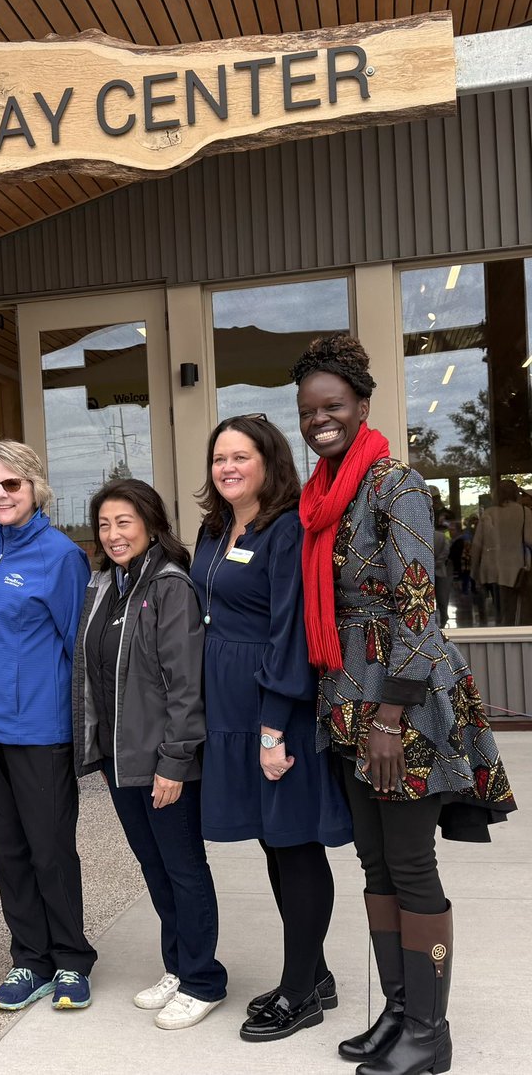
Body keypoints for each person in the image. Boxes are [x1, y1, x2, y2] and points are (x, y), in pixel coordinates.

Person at [293, 334, 516, 1075]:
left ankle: (431, 1030)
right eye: (308, 410)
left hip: (402, 703)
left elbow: (421, 616)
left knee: (411, 864)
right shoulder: (325, 495)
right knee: (376, 862)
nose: (319, 419)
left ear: (361, 406)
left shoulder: (399, 485)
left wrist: (390, 718)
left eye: (332, 406)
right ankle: (398, 1012)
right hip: (349, 698)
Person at [192, 416, 352, 1043]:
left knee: (295, 844)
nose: (227, 467)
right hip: (227, 709)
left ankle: (299, 993)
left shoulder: (285, 529)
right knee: (272, 844)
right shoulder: (215, 529)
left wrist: (273, 727)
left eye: (241, 456)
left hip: (271, 710)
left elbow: (290, 631)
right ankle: (313, 974)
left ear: (268, 462)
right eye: (219, 458)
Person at [71, 478, 227, 1031]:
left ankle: (205, 979)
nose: (113, 534)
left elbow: (186, 687)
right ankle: (179, 965)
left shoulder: (169, 585)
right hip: (122, 760)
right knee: (155, 866)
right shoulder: (108, 585)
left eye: (125, 522)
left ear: (150, 523)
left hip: (163, 763)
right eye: (105, 524)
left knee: (184, 868)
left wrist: (174, 762)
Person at [0, 440, 95, 1012]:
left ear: (36, 488)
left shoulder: (61, 556)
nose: (2, 495)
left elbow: (77, 648)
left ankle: (70, 960)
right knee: (8, 850)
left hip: (39, 729)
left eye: (13, 484)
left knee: (49, 849)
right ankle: (29, 960)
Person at [471, 479, 532, 626]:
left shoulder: (489, 513)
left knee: (499, 610)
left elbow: (477, 545)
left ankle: (501, 630)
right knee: (517, 610)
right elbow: (530, 540)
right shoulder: (525, 513)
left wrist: (474, 572)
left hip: (492, 569)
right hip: (516, 569)